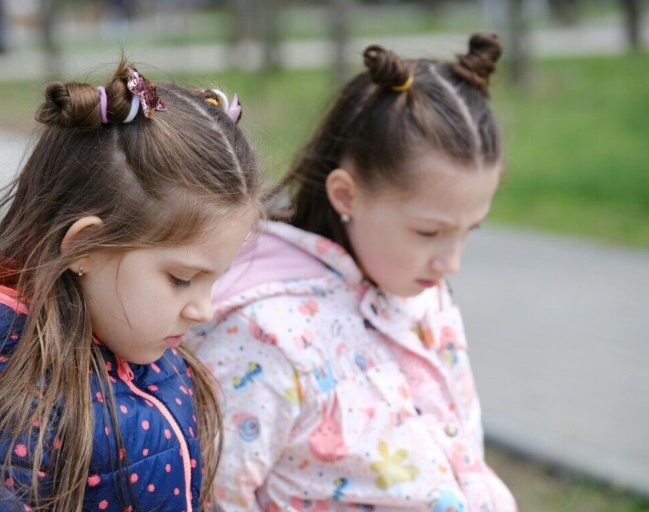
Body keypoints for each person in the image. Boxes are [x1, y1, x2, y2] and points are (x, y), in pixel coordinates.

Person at [0, 61, 259, 511]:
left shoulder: (143, 356)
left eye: (216, 279)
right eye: (182, 280)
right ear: (84, 247)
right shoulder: (15, 415)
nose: (204, 309)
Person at [189, 33, 518, 511]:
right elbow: (218, 494)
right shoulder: (263, 332)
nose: (452, 263)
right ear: (346, 194)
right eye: (429, 232)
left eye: (471, 230)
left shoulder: (422, 295)